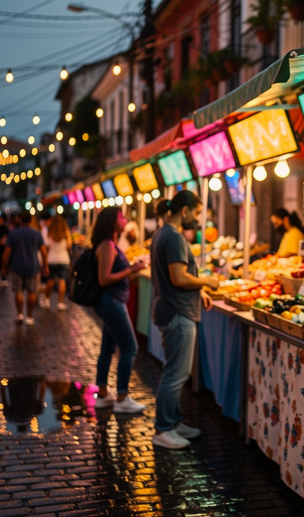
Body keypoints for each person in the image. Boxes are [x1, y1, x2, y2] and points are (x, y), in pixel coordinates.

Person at [150, 190, 221, 449]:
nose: (198, 218)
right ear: (185, 211)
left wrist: (198, 290)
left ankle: (174, 421)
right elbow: (179, 277)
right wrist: (207, 281)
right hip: (177, 311)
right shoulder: (174, 237)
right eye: (197, 212)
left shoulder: (162, 233)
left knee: (175, 370)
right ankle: (164, 428)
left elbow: (176, 277)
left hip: (171, 307)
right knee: (176, 373)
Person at [91, 207, 148, 415]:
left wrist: (131, 271)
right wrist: (131, 270)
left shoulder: (110, 244)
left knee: (107, 347)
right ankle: (122, 397)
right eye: (121, 216)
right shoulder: (107, 246)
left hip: (111, 301)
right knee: (130, 348)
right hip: (112, 302)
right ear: (112, 221)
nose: (125, 219)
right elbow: (104, 278)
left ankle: (103, 395)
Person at [2, 212, 48, 325]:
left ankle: (20, 314)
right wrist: (45, 266)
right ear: (31, 220)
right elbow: (43, 251)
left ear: (20, 220)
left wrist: (5, 267)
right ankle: (29, 317)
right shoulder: (37, 234)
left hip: (17, 266)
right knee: (32, 292)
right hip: (33, 266)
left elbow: (7, 252)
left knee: (18, 291)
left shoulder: (14, 234)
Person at [42, 214, 72, 310]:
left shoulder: (50, 233)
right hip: (63, 259)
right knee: (62, 280)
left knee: (50, 280)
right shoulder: (66, 233)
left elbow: (47, 246)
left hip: (52, 259)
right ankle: (60, 303)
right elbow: (69, 245)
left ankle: (46, 300)